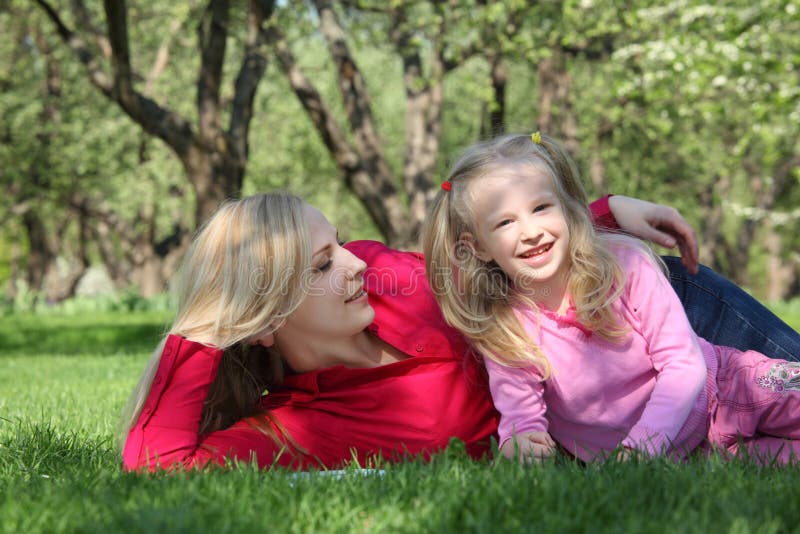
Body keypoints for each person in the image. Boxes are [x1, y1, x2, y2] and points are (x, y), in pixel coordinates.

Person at [121, 188, 799, 472]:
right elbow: (156, 466)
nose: (359, 262)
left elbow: (490, 245)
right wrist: (206, 327)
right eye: (326, 262)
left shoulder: (393, 277)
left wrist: (606, 209)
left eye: (340, 243)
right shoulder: (298, 428)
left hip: (648, 316)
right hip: (628, 419)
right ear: (263, 319)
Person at [421, 132, 800, 464]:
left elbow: (684, 366)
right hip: (689, 455)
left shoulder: (625, 266)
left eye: (541, 208)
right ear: (479, 247)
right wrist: (521, 444)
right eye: (505, 222)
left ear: (569, 209)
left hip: (729, 391)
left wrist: (640, 449)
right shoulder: (505, 325)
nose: (531, 231)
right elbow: (522, 417)